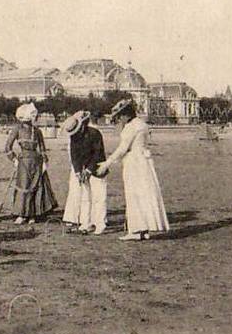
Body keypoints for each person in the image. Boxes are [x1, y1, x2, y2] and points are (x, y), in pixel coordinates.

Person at [96, 99, 169, 240]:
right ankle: (144, 229)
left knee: (133, 194)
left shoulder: (130, 127)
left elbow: (123, 149)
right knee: (145, 194)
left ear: (126, 115)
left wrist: (107, 163)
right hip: (144, 161)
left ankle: (135, 230)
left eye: (121, 116)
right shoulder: (142, 124)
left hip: (134, 162)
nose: (120, 119)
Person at [5, 102, 58, 224]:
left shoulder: (37, 131)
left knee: (36, 186)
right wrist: (14, 159)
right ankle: (22, 214)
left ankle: (33, 214)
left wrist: (45, 162)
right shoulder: (17, 129)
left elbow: (43, 148)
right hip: (23, 161)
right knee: (24, 186)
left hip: (36, 161)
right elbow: (7, 147)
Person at [62, 110, 108, 235]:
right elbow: (74, 156)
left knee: (99, 197)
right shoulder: (74, 137)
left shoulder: (95, 134)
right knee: (85, 198)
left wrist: (88, 170)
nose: (75, 134)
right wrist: (78, 172)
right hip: (83, 170)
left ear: (82, 126)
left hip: (97, 169)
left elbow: (97, 154)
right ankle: (85, 223)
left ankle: (100, 224)